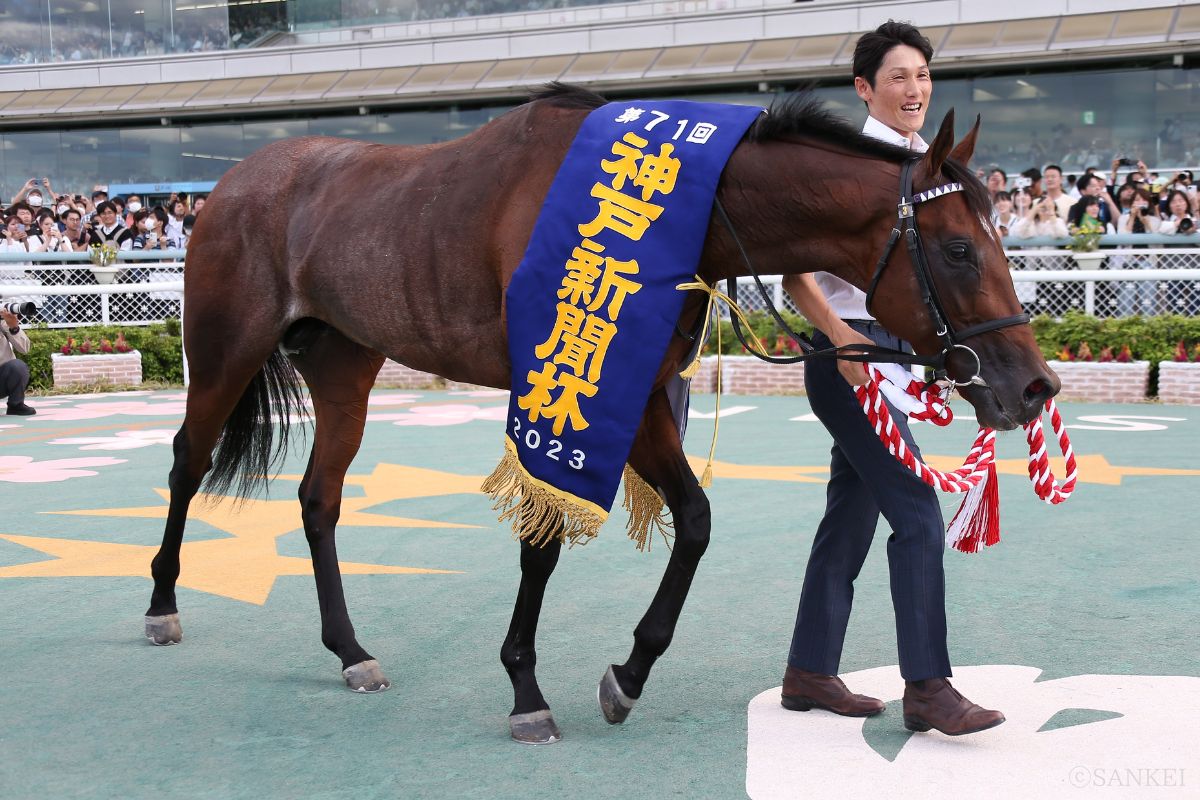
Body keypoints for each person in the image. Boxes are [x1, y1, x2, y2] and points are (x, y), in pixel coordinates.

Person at [780, 20, 1005, 737]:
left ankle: (808, 671)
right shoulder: (842, 168)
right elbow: (795, 276)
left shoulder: (929, 163)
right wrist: (840, 336)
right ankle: (928, 688)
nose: (915, 89)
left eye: (923, 75)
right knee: (915, 512)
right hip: (847, 355)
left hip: (899, 354)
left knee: (850, 516)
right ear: (864, 88)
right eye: (899, 77)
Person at [0, 306, 35, 415]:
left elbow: (25, 348)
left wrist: (14, 327)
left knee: (18, 366)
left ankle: (16, 405)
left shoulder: (2, 322)